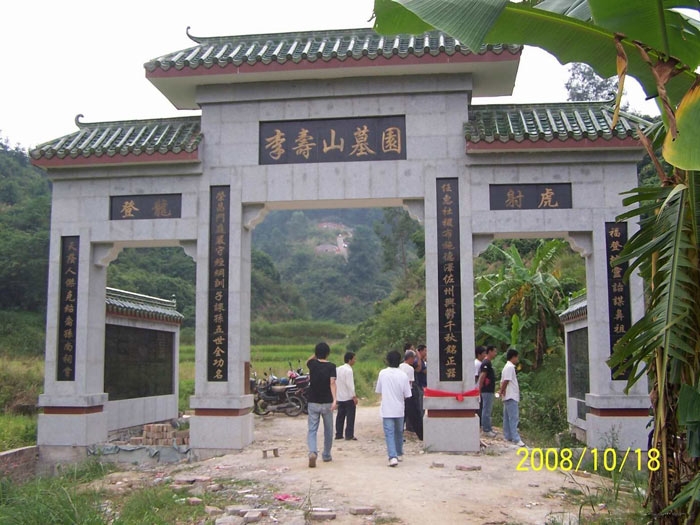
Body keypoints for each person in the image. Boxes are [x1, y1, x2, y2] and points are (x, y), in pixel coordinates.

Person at [375, 350, 412, 467]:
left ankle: (392, 456)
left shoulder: (382, 373)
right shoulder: (403, 375)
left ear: (387, 360)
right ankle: (399, 453)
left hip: (387, 409)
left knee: (389, 433)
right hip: (399, 408)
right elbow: (408, 394)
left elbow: (379, 390)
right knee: (399, 432)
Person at [306, 342, 337, 467]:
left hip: (313, 401)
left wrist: (316, 354)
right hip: (327, 402)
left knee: (312, 429)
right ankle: (326, 455)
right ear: (328, 353)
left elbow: (308, 360)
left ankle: (313, 452)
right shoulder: (332, 366)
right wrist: (335, 400)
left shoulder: (312, 364)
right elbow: (332, 383)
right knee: (328, 430)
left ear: (316, 353)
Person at [500, 348, 525, 447]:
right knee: (514, 418)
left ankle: (508, 436)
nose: (517, 359)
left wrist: (502, 391)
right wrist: (502, 390)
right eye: (517, 357)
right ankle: (516, 438)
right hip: (511, 396)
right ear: (513, 357)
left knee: (507, 417)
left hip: (508, 396)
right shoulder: (510, 367)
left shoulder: (507, 367)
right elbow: (506, 380)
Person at [335, 351, 358, 441]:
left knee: (340, 416)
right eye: (354, 359)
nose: (355, 361)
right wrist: (354, 396)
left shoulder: (338, 369)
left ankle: (338, 434)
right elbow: (350, 385)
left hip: (340, 397)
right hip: (348, 397)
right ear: (349, 360)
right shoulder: (349, 370)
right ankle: (349, 435)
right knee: (350, 417)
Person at [478, 345, 497, 438]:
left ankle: (488, 428)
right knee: (486, 409)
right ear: (490, 351)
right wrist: (480, 388)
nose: (495, 354)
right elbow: (482, 376)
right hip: (486, 390)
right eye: (494, 351)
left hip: (489, 390)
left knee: (488, 409)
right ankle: (486, 429)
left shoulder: (488, 362)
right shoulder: (486, 363)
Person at [474, 345, 487, 421]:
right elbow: (475, 376)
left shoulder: (480, 363)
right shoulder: (477, 364)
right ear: (479, 354)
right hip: (477, 389)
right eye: (484, 353)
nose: (485, 355)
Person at [414, 344, 428, 412]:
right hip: (420, 386)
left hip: (423, 385)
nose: (426, 353)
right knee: (421, 405)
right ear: (420, 351)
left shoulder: (422, 361)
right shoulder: (418, 361)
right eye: (425, 351)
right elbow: (426, 371)